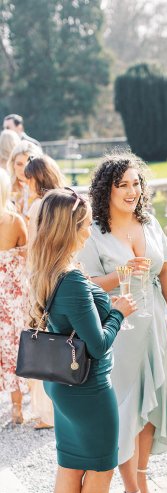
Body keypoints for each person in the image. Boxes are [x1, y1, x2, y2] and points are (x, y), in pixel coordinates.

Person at [29, 188, 135, 493]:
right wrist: (119, 312)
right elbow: (97, 343)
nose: (90, 226)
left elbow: (74, 319)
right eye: (86, 219)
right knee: (101, 468)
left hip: (62, 385)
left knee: (70, 467)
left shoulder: (48, 268)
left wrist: (104, 303)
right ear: (72, 226)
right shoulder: (71, 278)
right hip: (89, 388)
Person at [77, 152, 167, 493]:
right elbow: (84, 285)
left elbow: (166, 270)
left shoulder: (150, 222)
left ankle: (141, 478)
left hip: (153, 324)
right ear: (106, 189)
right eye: (123, 184)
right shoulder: (93, 232)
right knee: (126, 411)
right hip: (119, 330)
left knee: (151, 407)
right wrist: (120, 275)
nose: (132, 191)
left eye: (136, 183)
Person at [24, 155, 66, 429]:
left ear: (36, 178)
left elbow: (32, 251)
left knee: (39, 343)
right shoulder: (64, 199)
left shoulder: (37, 206)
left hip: (40, 278)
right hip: (62, 277)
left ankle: (46, 413)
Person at [0, 168, 29, 424]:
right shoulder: (14, 220)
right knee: (16, 347)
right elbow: (29, 255)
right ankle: (18, 407)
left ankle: (16, 405)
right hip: (12, 295)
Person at [7, 140, 42, 216]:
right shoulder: (8, 189)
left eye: (28, 164)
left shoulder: (42, 191)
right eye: (19, 164)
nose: (24, 169)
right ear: (13, 165)